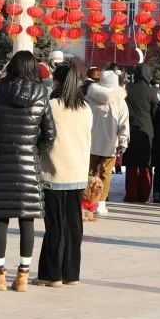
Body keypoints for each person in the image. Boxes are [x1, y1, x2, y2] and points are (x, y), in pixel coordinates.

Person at [0, 51, 56, 292]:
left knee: (0, 219)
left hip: (3, 162)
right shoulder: (42, 95)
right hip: (28, 166)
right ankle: (22, 276)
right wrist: (34, 153)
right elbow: (50, 134)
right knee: (27, 219)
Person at [36, 62, 92, 287]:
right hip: (77, 172)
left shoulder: (51, 105)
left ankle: (51, 275)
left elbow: (42, 136)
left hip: (54, 172)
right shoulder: (85, 108)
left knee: (55, 226)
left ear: (56, 81)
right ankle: (71, 273)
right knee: (73, 226)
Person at [87, 70, 129, 216]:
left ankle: (86, 200)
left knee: (89, 173)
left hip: (90, 142)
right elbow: (124, 123)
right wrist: (123, 141)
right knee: (106, 174)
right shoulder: (120, 101)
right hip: (110, 143)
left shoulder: (90, 97)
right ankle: (101, 203)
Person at [123, 63, 158, 203]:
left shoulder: (128, 90)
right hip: (146, 131)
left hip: (130, 129)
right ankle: (144, 195)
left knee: (131, 165)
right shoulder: (151, 92)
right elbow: (156, 112)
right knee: (145, 164)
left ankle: (131, 194)